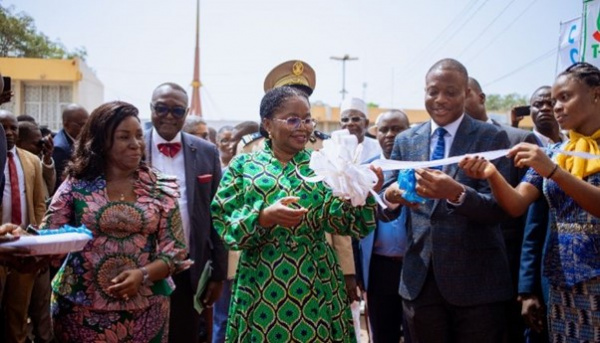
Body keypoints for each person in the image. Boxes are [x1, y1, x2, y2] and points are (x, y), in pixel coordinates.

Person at [211, 86, 381, 342]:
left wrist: (363, 193)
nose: (303, 127)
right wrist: (263, 217)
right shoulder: (243, 165)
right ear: (267, 123)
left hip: (317, 282)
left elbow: (346, 223)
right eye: (292, 119)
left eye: (307, 119)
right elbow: (224, 221)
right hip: (262, 284)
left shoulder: (323, 164)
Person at [460, 61, 600, 343]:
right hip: (560, 283)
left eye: (565, 97)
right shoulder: (556, 153)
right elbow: (516, 204)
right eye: (553, 100)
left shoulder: (551, 162)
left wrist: (553, 172)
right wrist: (492, 175)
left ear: (596, 94)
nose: (556, 107)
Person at [382, 58, 512, 342]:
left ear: (466, 93)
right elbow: (386, 201)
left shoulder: (491, 137)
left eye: (450, 92)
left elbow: (501, 209)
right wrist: (391, 197)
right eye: (432, 91)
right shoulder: (406, 140)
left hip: (477, 287)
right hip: (420, 283)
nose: (440, 100)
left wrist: (456, 193)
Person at [40, 101, 188, 342]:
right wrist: (21, 238)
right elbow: (49, 236)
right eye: (124, 137)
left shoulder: (160, 187)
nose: (135, 144)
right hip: (79, 307)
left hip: (146, 309)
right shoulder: (76, 185)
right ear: (101, 142)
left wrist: (142, 274)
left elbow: (177, 252)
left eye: (139, 135)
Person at [144, 82, 227, 343]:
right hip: (142, 265)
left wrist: (218, 274)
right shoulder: (132, 148)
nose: (169, 116)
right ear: (151, 109)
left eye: (177, 111)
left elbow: (219, 216)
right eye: (162, 108)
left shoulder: (206, 152)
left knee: (185, 334)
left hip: (190, 267)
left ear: (186, 112)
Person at [465, 76, 540, 342]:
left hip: (508, 270)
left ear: (481, 98)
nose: (452, 101)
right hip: (456, 275)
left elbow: (533, 214)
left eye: (463, 93)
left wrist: (527, 283)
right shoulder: (441, 145)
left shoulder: (518, 139)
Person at [359, 110, 411, 343]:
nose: (390, 135)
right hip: (379, 268)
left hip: (416, 267)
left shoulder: (423, 165)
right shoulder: (365, 171)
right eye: (384, 129)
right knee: (383, 334)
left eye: (397, 129)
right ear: (375, 133)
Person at [0, 110, 47, 343]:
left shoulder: (31, 161)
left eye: (13, 128)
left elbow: (39, 203)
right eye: (3, 127)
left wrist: (36, 240)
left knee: (19, 313)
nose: (8, 132)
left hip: (24, 248)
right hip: (1, 246)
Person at [52, 104, 89, 191]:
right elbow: (60, 183)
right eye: (81, 125)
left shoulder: (77, 139)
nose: (86, 129)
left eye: (87, 124)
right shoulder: (60, 148)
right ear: (66, 125)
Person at [339, 97, 381, 163]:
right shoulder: (332, 148)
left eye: (355, 119)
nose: (350, 123)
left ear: (366, 123)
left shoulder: (379, 148)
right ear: (340, 124)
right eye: (345, 120)